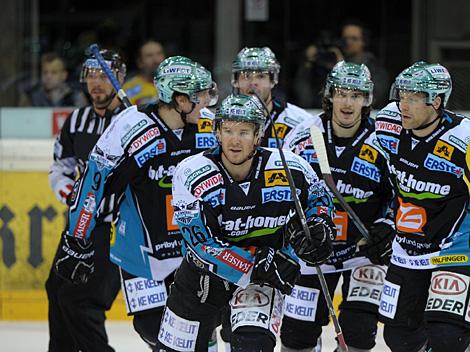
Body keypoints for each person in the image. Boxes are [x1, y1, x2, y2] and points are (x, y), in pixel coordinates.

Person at [53, 55, 219, 349]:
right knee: (153, 328)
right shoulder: (132, 125)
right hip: (142, 252)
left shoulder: (212, 128)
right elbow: (94, 179)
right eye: (200, 94)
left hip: (191, 249)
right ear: (179, 100)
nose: (207, 100)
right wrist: (77, 239)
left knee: (199, 330)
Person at [154, 93, 336, 351]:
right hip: (202, 276)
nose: (235, 140)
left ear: (258, 135)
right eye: (227, 130)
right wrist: (254, 264)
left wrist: (321, 227)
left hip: (260, 279)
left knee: (252, 346)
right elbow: (200, 243)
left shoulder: (289, 167)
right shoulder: (191, 172)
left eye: (244, 132)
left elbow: (320, 197)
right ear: (217, 133)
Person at [280, 61, 395, 352]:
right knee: (296, 336)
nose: (347, 102)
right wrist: (295, 229)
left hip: (362, 253)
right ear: (329, 95)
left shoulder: (383, 140)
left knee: (358, 333)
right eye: (342, 93)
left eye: (356, 95)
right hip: (312, 253)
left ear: (367, 99)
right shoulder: (303, 137)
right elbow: (281, 193)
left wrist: (388, 226)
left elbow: (402, 194)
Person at [375, 61, 470, 352]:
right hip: (407, 249)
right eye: (402, 96)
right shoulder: (388, 126)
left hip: (454, 250)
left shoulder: (464, 140)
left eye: (414, 98)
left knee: (446, 336)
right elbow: (380, 181)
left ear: (437, 101)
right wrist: (383, 220)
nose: (404, 105)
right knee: (398, 337)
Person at [45, 49, 127, 352]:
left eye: (105, 75)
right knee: (56, 289)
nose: (97, 82)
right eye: (92, 75)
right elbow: (61, 168)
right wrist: (74, 196)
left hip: (116, 229)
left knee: (81, 301)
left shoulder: (135, 122)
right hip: (80, 227)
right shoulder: (76, 120)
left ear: (120, 78)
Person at [231, 46, 323, 147]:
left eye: (261, 76)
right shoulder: (222, 121)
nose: (253, 82)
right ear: (236, 81)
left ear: (273, 80)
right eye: (246, 76)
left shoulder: (301, 123)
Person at [341, 20, 389, 108]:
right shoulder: (335, 62)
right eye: (345, 39)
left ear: (364, 42)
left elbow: (371, 99)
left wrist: (341, 71)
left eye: (354, 39)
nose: (348, 42)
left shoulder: (375, 68)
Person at [19, 52, 88, 107]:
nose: (48, 77)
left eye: (54, 72)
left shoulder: (75, 96)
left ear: (64, 75)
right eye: (45, 72)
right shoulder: (31, 97)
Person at [293, 41, 343, 108]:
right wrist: (308, 63)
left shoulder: (338, 71)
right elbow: (304, 100)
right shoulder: (310, 71)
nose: (326, 59)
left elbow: (345, 96)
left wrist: (341, 66)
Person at [123, 39, 166, 105]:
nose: (156, 60)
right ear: (140, 62)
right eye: (149, 55)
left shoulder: (178, 82)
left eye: (159, 53)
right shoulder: (129, 88)